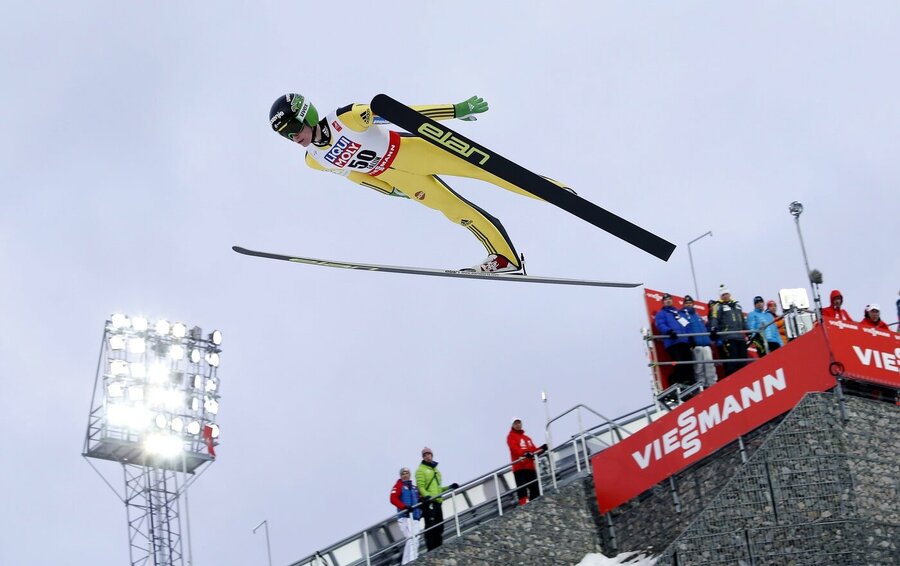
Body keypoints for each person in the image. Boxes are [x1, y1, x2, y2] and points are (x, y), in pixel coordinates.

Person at [269, 93, 573, 273]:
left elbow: (402, 115)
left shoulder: (345, 119)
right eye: (285, 135)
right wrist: (391, 191)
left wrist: (455, 111)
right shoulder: (314, 161)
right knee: (456, 212)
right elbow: (356, 177)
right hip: (397, 176)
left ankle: (556, 193)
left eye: (293, 127)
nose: (293, 137)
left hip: (412, 151)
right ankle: (504, 258)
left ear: (305, 114)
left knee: (489, 171)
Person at [415, 447, 458, 551]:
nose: (427, 456)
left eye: (429, 454)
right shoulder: (420, 470)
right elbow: (420, 487)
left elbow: (438, 488)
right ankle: (431, 550)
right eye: (425, 455)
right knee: (430, 527)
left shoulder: (436, 470)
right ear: (423, 457)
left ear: (432, 455)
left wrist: (449, 487)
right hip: (429, 502)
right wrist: (427, 496)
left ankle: (438, 548)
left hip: (438, 501)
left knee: (440, 526)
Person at [654, 293, 695, 386]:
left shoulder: (678, 313)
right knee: (678, 362)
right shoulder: (661, 313)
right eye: (666, 300)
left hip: (684, 341)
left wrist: (691, 337)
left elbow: (686, 325)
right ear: (663, 302)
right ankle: (678, 382)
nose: (668, 301)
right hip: (672, 342)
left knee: (689, 362)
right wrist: (669, 331)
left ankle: (690, 381)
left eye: (669, 299)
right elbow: (660, 324)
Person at [506, 418, 548, 506]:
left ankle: (537, 505)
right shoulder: (511, 436)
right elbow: (514, 449)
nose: (518, 425)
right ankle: (524, 506)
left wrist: (542, 448)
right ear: (512, 425)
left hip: (530, 467)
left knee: (535, 488)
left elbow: (533, 451)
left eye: (519, 423)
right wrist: (524, 453)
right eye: (515, 423)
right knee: (522, 489)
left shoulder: (527, 438)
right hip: (519, 468)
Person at [709, 285, 748, 377]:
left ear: (729, 294)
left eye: (726, 294)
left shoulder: (737, 305)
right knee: (732, 360)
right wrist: (713, 328)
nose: (725, 296)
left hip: (740, 337)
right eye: (723, 295)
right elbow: (714, 318)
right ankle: (732, 379)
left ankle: (744, 378)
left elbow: (742, 320)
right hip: (728, 337)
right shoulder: (718, 306)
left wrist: (749, 332)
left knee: (743, 359)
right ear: (720, 296)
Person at [681, 295, 717, 387]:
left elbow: (704, 328)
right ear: (684, 304)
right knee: (699, 365)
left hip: (705, 343)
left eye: (690, 303)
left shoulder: (697, 315)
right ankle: (701, 384)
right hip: (695, 344)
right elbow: (685, 328)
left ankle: (712, 383)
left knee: (709, 364)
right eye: (687, 303)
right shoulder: (682, 315)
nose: (689, 305)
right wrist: (690, 340)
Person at [389, 467, 422, 564]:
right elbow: (393, 498)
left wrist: (420, 511)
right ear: (400, 475)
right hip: (405, 517)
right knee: (411, 538)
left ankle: (407, 561)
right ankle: (412, 561)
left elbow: (419, 499)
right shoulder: (398, 486)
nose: (405, 475)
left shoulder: (414, 488)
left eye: (407, 473)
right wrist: (404, 507)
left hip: (415, 517)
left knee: (415, 538)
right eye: (403, 473)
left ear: (409, 474)